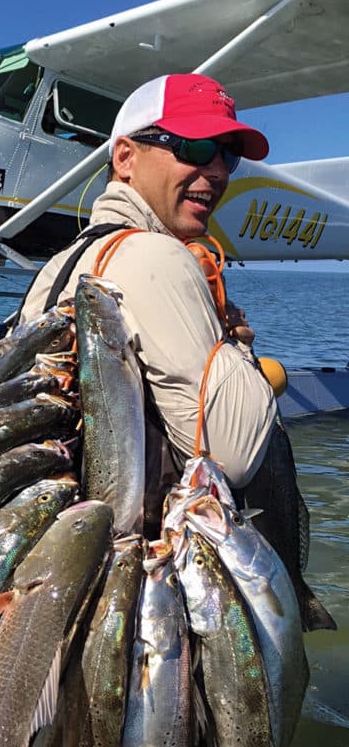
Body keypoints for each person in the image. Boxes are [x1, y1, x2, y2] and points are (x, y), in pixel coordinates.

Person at [17, 73, 278, 524]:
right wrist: (236, 345)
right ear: (125, 157)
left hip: (68, 544)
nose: (218, 171)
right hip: (143, 559)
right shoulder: (159, 256)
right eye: (195, 148)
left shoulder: (61, 263)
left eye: (228, 155)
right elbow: (229, 458)